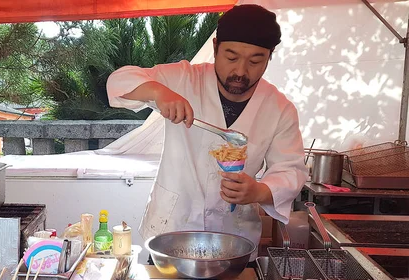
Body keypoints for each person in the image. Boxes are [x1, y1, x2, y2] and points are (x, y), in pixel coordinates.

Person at [106, 5, 308, 256]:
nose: (240, 72)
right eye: (231, 57)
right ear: (215, 48)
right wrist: (159, 92)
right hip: (172, 230)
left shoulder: (279, 108)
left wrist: (259, 191)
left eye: (255, 61)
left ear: (270, 56)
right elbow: (118, 81)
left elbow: (290, 169)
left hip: (235, 242)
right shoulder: (183, 78)